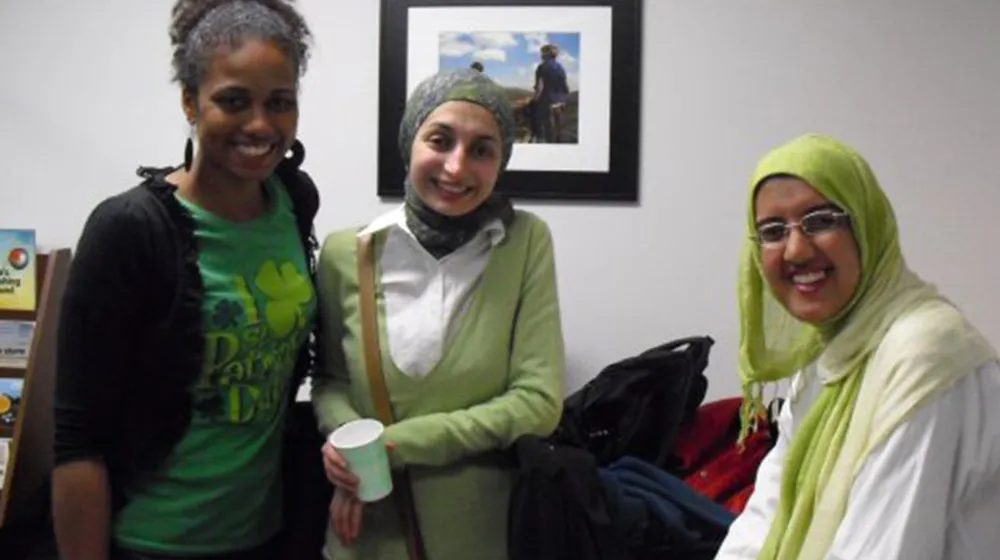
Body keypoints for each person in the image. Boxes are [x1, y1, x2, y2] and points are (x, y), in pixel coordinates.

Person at [52, 1, 320, 559]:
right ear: (189, 102)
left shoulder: (293, 201)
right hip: (152, 543)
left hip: (268, 536)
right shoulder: (129, 231)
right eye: (233, 101)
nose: (260, 125)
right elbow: (78, 442)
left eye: (280, 103)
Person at [312, 68, 565, 560]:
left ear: (500, 163)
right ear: (409, 142)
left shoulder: (523, 243)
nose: (456, 167)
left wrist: (396, 446)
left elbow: (538, 402)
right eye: (440, 140)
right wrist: (347, 449)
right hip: (361, 538)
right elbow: (330, 380)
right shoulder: (347, 252)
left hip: (482, 537)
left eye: (482, 150)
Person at [716, 134, 1000, 559]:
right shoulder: (831, 352)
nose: (795, 249)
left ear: (866, 224)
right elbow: (767, 515)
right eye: (772, 232)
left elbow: (884, 549)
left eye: (821, 220)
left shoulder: (926, 353)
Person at [532, 44, 569, 143]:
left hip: (547, 103)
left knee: (546, 131)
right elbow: (565, 88)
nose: (541, 55)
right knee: (559, 130)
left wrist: (534, 100)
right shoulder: (561, 67)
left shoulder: (541, 67)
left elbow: (539, 87)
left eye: (542, 53)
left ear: (545, 54)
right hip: (561, 103)